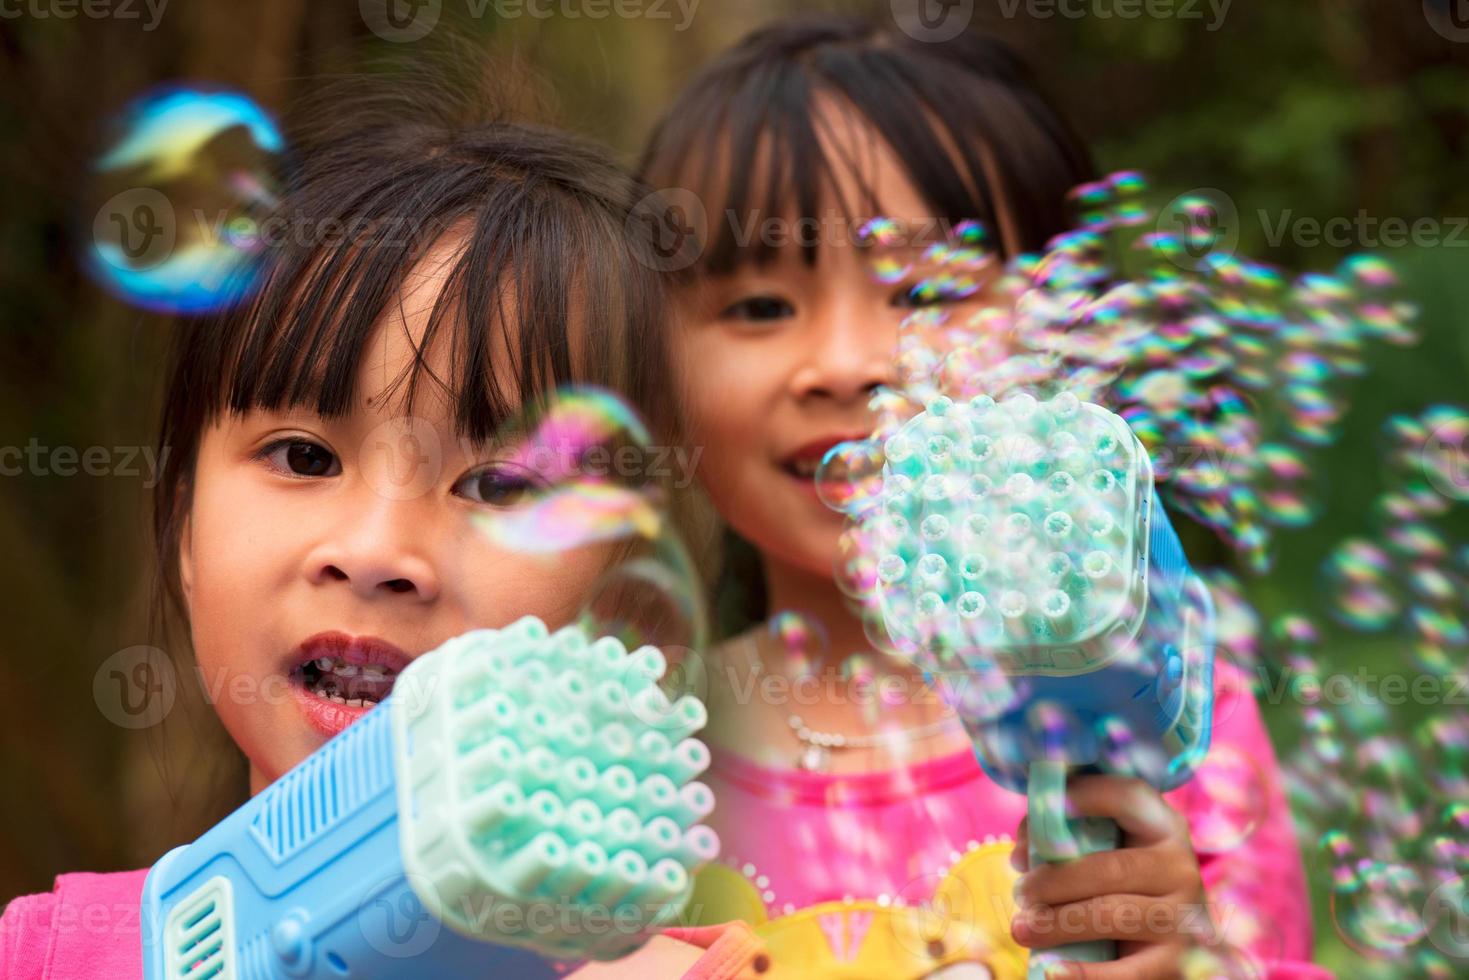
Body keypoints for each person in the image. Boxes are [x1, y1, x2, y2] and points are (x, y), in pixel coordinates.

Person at [0, 78, 763, 980]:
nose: (373, 554)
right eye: (304, 457)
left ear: (631, 609)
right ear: (181, 532)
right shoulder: (46, 959)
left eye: (496, 482)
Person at [639, 14, 1326, 979]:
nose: (845, 365)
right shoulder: (636, 761)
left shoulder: (1162, 709)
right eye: (759, 308)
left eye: (925, 294)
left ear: (1067, 327)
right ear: (654, 366)